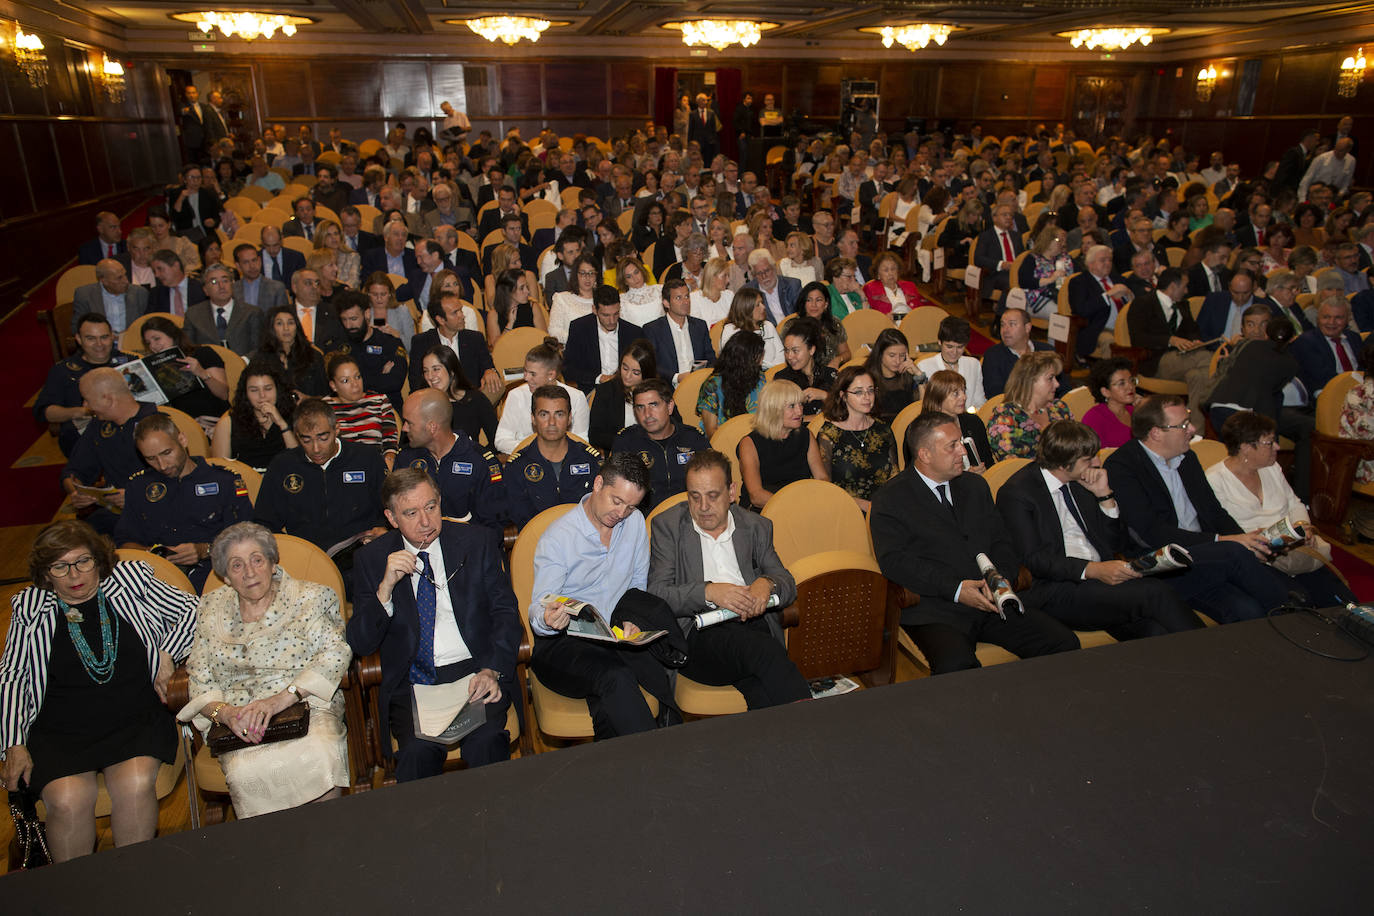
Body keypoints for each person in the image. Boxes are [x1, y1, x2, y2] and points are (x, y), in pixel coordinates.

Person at [1, 520, 198, 862]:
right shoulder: (31, 607)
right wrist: (13, 743)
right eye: (60, 566)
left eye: (83, 561)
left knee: (135, 787)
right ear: (46, 573)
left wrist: (166, 653)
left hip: (135, 717)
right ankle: (77, 896)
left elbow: (196, 612)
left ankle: (131, 887)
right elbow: (13, 675)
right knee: (67, 800)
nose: (74, 574)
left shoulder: (132, 581)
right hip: (61, 729)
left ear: (98, 559)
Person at [870, 412, 1079, 675]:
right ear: (924, 454)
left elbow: (1002, 541)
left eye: (961, 443)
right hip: (938, 608)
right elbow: (895, 562)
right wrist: (957, 589)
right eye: (953, 446)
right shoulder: (891, 499)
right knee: (957, 667)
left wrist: (1000, 580)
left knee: (1063, 642)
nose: (963, 451)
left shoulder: (975, 486)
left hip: (992, 600)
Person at [349, 469, 521, 781]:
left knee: (487, 744)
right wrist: (384, 590)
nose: (425, 521)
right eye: (411, 513)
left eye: (431, 507)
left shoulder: (477, 541)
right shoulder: (372, 560)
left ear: (440, 502)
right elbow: (361, 643)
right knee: (416, 755)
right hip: (415, 682)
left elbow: (507, 613)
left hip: (475, 671)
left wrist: (491, 669)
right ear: (391, 517)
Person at [177, 523, 350, 817]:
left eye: (257, 560)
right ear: (225, 576)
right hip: (241, 719)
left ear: (272, 562)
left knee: (321, 752)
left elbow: (335, 654)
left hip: (304, 706)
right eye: (237, 565)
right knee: (246, 770)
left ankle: (328, 841)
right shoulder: (210, 607)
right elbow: (199, 676)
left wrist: (281, 699)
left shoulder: (310, 597)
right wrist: (225, 714)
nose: (249, 572)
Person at [998, 419, 1203, 641]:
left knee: (1155, 631)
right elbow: (1034, 559)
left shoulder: (1083, 482)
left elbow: (1118, 545)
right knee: (1154, 592)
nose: (1097, 462)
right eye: (1088, 459)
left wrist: (1104, 497)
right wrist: (1094, 570)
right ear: (1064, 464)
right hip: (1056, 589)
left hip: (1102, 584)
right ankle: (1216, 652)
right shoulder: (1017, 493)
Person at [1103, 396, 1296, 622]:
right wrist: (1224, 541)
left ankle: (1295, 614)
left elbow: (1214, 512)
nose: (1193, 429)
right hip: (1164, 563)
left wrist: (1245, 538)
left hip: (1206, 556)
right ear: (1156, 433)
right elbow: (1151, 532)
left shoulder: (1187, 458)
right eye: (1183, 425)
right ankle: (1295, 617)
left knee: (1249, 606)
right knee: (1237, 560)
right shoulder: (1122, 467)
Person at [647, 450, 813, 708]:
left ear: (732, 492)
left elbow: (787, 583)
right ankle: (813, 721)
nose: (703, 507)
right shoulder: (668, 527)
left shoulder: (756, 526)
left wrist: (765, 584)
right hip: (699, 635)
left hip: (751, 626)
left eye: (712, 496)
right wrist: (709, 592)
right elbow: (658, 594)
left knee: (761, 690)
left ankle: (780, 745)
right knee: (761, 651)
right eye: (694, 497)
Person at [1207, 412, 1354, 606]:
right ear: (1245, 448)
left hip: (1294, 549)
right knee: (1301, 604)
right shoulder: (1215, 479)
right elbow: (1223, 527)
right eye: (1269, 442)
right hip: (1258, 559)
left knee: (1343, 601)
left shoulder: (1272, 468)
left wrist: (1303, 525)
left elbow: (1294, 503)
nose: (1277, 447)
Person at [254, 398, 388, 583]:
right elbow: (264, 523)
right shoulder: (283, 466)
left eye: (323, 437)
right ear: (297, 435)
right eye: (306, 440)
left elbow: (391, 508)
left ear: (337, 429)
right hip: (305, 564)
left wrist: (384, 530)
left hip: (360, 559)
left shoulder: (366, 459)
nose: (316, 448)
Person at [117, 413, 251, 589]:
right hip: (157, 578)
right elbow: (125, 542)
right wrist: (152, 554)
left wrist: (206, 550)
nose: (162, 465)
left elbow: (248, 538)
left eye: (167, 453)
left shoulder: (224, 481)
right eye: (151, 459)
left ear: (182, 440)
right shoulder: (139, 486)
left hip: (215, 574)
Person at [61, 368, 160, 535]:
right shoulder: (98, 426)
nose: (85, 406)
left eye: (86, 400)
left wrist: (136, 495)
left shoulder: (155, 423)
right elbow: (74, 471)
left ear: (107, 398)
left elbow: (176, 477)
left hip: (155, 511)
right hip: (113, 514)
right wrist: (76, 492)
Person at [395, 389, 507, 530]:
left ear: (432, 427)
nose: (404, 428)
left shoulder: (481, 462)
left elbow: (492, 527)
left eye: (409, 423)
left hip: (468, 547)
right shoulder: (405, 459)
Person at [37, 314, 135, 456]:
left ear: (112, 337)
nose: (99, 344)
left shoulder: (129, 362)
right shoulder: (63, 371)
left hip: (131, 433)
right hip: (86, 439)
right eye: (91, 338)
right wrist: (82, 412)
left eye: (104, 337)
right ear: (78, 339)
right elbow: (44, 411)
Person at [506, 386, 603, 527]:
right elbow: (520, 519)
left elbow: (599, 513)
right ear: (533, 419)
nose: (551, 423)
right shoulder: (517, 466)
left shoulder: (590, 461)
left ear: (569, 418)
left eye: (559, 414)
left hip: (583, 541)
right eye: (544, 414)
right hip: (536, 541)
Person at [611, 379, 710, 512]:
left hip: (692, 514)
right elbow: (616, 493)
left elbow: (713, 483)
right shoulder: (626, 442)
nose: (647, 414)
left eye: (654, 405)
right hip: (645, 520)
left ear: (669, 407)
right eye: (640, 407)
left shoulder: (693, 438)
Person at [737, 379, 828, 511]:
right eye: (792, 406)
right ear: (773, 409)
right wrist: (795, 507)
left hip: (802, 506)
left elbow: (822, 478)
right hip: (764, 512)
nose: (799, 411)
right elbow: (756, 496)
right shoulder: (749, 444)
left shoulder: (805, 435)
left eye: (800, 404)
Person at [817, 366, 897, 512]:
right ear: (843, 395)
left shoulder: (883, 430)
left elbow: (894, 475)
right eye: (859, 392)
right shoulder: (829, 435)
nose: (867, 397)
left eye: (871, 390)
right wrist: (864, 505)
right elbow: (825, 488)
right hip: (845, 510)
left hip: (884, 509)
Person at [493, 338, 591, 455]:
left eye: (533, 374)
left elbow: (581, 441)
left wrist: (554, 453)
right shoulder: (516, 395)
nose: (526, 378)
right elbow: (501, 440)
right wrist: (536, 451)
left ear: (551, 375)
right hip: (525, 459)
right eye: (525, 371)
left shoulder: (577, 398)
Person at [407, 292, 501, 405]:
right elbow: (415, 382)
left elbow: (489, 367)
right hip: (435, 405)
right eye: (455, 312)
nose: (462, 315)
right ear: (441, 320)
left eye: (461, 310)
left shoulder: (475, 339)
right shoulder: (421, 342)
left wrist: (490, 371)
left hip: (470, 403)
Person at [139, 316, 230, 426]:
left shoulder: (203, 353)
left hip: (212, 419)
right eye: (148, 343)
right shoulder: (155, 368)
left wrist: (201, 372)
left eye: (157, 339)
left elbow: (223, 394)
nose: (153, 346)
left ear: (172, 335)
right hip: (181, 423)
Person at [211, 359, 297, 472]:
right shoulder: (228, 423)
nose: (262, 395)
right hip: (245, 485)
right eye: (254, 390)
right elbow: (219, 471)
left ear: (278, 389)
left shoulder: (295, 415)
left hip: (285, 483)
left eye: (268, 388)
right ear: (245, 393)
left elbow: (299, 462)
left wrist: (281, 423)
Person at [986, 351, 1072, 461]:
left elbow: (1078, 448)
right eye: (1050, 378)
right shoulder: (1005, 417)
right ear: (1030, 381)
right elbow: (1012, 468)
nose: (1057, 384)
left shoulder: (1059, 408)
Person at [563, 287, 644, 394]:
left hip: (625, 391)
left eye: (616, 314)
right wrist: (599, 378)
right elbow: (568, 369)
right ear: (594, 310)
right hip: (592, 390)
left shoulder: (633, 332)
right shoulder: (579, 328)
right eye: (606, 315)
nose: (612, 321)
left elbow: (644, 368)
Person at [325, 354, 399, 467]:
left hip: (376, 467)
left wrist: (385, 472)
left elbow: (390, 446)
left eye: (357, 377)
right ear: (333, 385)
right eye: (345, 381)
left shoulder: (379, 400)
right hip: (340, 469)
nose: (355, 384)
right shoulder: (324, 407)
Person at [419, 345, 498, 447]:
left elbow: (496, 440)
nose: (429, 376)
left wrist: (479, 457)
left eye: (436, 369)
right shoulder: (421, 403)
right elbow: (407, 445)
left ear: (452, 371)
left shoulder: (476, 400)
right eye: (426, 371)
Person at [981, 307, 1067, 399]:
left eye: (1012, 324)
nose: (1005, 330)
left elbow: (1064, 389)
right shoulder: (993, 356)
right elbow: (995, 396)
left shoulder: (1047, 351)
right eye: (1002, 325)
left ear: (1027, 328)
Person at [644, 277, 716, 385]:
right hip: (668, 388)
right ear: (666, 303)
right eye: (678, 298)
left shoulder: (700, 326)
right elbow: (650, 366)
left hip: (699, 385)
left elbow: (711, 359)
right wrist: (676, 377)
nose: (685, 302)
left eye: (687, 296)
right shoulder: (653, 329)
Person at [587, 340, 655, 453]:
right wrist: (628, 441)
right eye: (625, 368)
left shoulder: (658, 390)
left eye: (636, 372)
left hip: (653, 450)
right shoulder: (606, 391)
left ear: (646, 373)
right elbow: (595, 435)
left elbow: (673, 424)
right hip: (621, 454)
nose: (627, 376)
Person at [919, 369, 994, 470]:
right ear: (938, 398)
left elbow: (988, 462)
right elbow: (925, 473)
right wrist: (965, 478)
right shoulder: (922, 430)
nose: (964, 397)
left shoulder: (973, 422)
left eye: (963, 391)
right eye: (956, 393)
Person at [697, 331, 766, 438]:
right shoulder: (713, 385)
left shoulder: (759, 378)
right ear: (744, 359)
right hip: (726, 442)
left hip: (756, 439)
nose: (761, 362)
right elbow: (712, 432)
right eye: (758, 357)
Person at [916, 316, 986, 410]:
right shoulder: (925, 366)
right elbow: (924, 406)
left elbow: (979, 401)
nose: (954, 352)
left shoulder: (973, 364)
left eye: (960, 347)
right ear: (939, 342)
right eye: (949, 347)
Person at [257, 305, 328, 398]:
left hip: (309, 409)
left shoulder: (313, 356)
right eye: (279, 323)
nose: (286, 328)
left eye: (290, 323)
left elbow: (325, 396)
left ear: (297, 326)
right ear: (272, 328)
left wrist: (307, 399)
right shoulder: (262, 358)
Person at [775, 317, 837, 417]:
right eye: (786, 350)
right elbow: (778, 418)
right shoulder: (782, 380)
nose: (789, 356)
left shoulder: (830, 375)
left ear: (811, 350)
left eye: (795, 351)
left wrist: (824, 395)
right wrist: (814, 420)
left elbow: (846, 410)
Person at [864, 328, 926, 424]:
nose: (897, 361)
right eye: (892, 355)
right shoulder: (866, 377)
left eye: (902, 355)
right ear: (880, 354)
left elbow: (924, 410)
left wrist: (919, 375)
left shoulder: (909, 375)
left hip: (907, 428)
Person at [1081, 357, 1139, 449]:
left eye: (1131, 381)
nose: (1130, 387)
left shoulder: (1136, 412)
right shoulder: (1094, 418)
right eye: (1121, 383)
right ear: (1105, 392)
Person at [721, 286, 784, 369]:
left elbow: (782, 355)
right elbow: (739, 362)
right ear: (746, 308)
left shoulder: (768, 326)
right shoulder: (731, 330)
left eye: (762, 303)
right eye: (758, 305)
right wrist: (767, 367)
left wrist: (771, 371)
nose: (763, 307)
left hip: (774, 374)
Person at [1016, 224, 1072, 317]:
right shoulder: (1032, 259)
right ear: (1048, 241)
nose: (1063, 244)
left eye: (1064, 241)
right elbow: (1023, 282)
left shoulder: (1065, 258)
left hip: (1063, 297)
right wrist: (1050, 279)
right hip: (1038, 299)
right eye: (1059, 240)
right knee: (1062, 315)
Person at [792, 281, 850, 367]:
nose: (813, 305)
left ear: (826, 304)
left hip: (832, 371)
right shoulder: (793, 325)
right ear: (804, 303)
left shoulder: (834, 323)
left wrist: (837, 360)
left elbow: (846, 353)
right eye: (809, 300)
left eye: (818, 300)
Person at [863, 252, 924, 318]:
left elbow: (920, 311)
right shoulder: (871, 289)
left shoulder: (910, 287)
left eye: (893, 269)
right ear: (878, 275)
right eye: (886, 270)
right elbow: (868, 316)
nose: (890, 273)